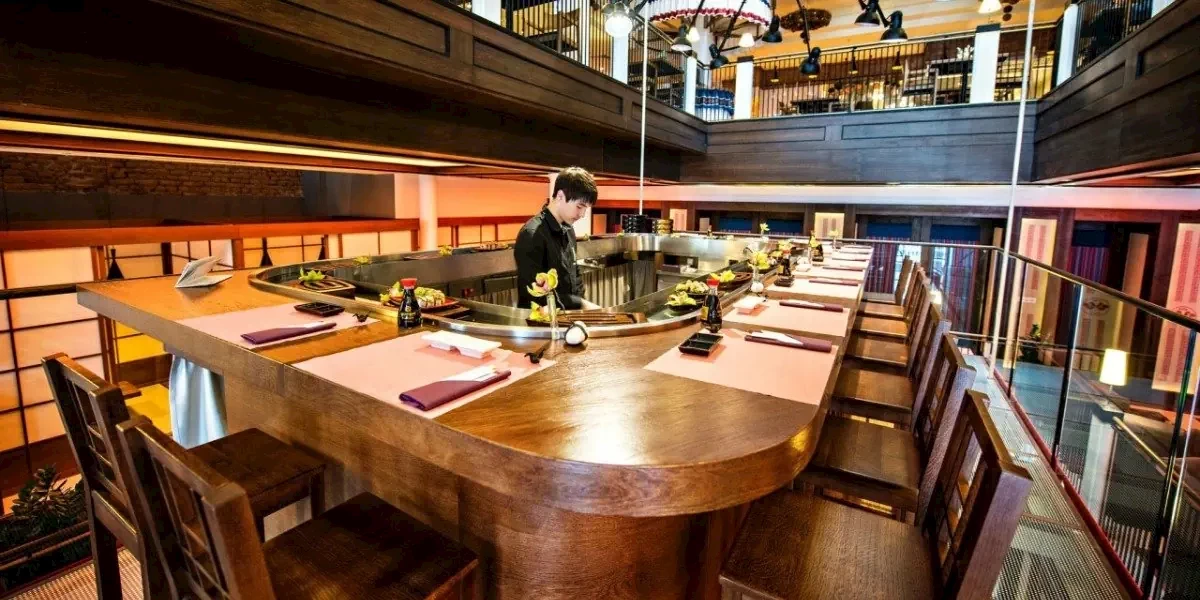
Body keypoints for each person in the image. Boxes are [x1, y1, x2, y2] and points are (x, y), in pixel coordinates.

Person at [515, 166, 600, 311]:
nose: (582, 214)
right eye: (580, 207)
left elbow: (575, 277)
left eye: (586, 208)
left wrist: (581, 310)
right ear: (560, 196)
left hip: (570, 317)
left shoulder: (568, 229)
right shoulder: (532, 234)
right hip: (542, 320)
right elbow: (534, 293)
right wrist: (580, 303)